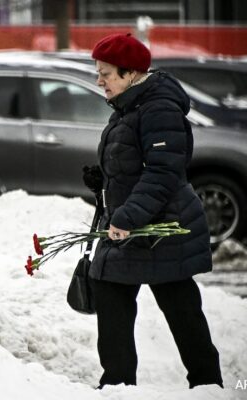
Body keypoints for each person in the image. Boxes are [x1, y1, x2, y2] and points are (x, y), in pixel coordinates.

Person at [84, 33, 223, 389]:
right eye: (97, 72)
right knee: (109, 289)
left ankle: (209, 386)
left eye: (106, 73)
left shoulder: (158, 108)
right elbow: (136, 161)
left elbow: (163, 172)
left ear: (130, 73)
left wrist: (127, 216)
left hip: (163, 229)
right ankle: (116, 386)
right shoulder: (130, 106)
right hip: (137, 226)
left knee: (182, 311)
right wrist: (105, 177)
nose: (99, 80)